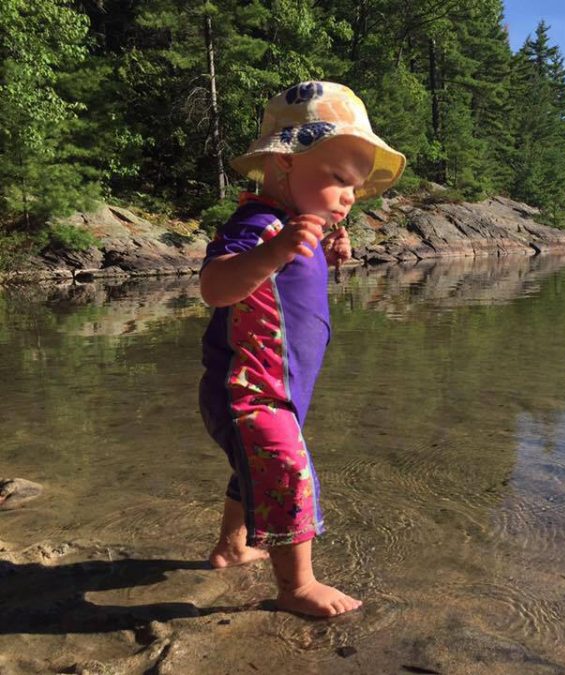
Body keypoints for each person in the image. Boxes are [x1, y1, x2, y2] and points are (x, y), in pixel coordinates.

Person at [198, 81, 405, 617]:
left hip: (278, 387)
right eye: (339, 180)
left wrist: (322, 250)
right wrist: (277, 249)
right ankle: (296, 586)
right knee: (288, 474)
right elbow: (216, 287)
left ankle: (233, 546)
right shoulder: (259, 224)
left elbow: (290, 283)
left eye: (356, 188)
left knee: (257, 467)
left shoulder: (294, 228)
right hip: (248, 389)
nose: (350, 196)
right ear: (285, 165)